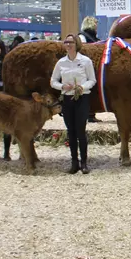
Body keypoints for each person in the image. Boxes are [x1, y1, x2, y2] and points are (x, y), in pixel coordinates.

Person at [50, 34, 97, 174]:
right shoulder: (61, 63)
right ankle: (74, 162)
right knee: (71, 132)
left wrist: (82, 87)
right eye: (66, 42)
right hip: (67, 100)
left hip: (81, 99)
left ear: (76, 44)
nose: (68, 44)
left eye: (71, 42)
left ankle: (84, 163)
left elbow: (92, 80)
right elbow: (53, 81)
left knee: (80, 131)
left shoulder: (85, 61)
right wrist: (62, 87)